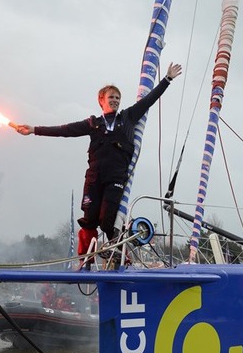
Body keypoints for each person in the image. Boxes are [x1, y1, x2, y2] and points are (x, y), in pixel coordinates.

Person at [14, 63, 183, 259]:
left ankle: (119, 253)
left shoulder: (128, 117)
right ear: (101, 100)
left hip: (116, 178)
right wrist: (34, 129)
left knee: (106, 221)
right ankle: (86, 259)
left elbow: (149, 101)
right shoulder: (93, 123)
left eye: (118, 98)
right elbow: (65, 130)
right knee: (89, 219)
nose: (115, 100)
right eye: (111, 97)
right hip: (94, 178)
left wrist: (167, 79)